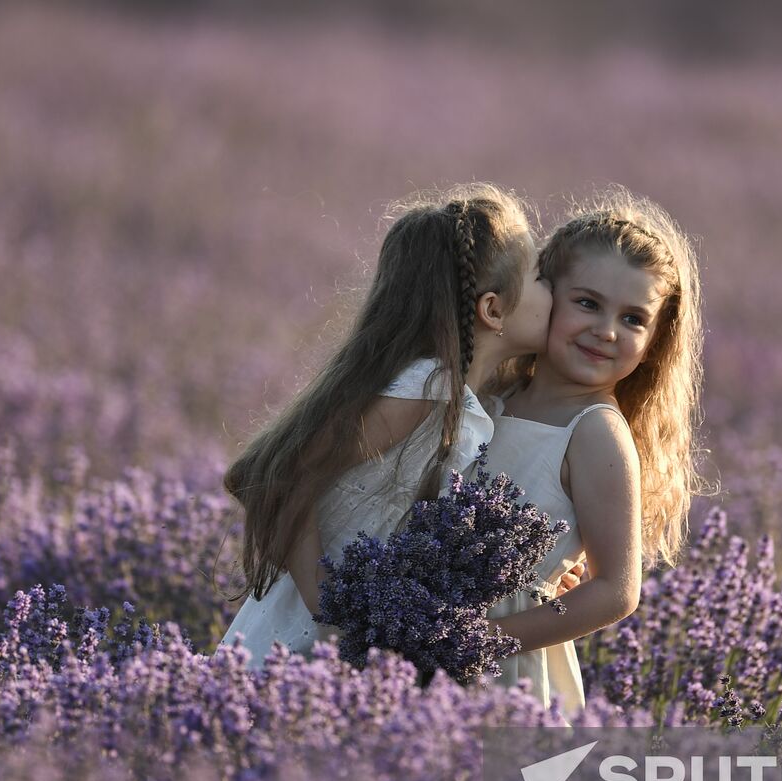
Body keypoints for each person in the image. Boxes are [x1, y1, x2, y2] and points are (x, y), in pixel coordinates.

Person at [218, 183, 554, 670]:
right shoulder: (427, 388)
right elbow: (278, 471)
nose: (555, 291)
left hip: (369, 648)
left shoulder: (473, 403)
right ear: (493, 310)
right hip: (301, 646)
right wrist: (325, 601)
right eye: (541, 277)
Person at [480, 187, 707, 724]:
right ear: (542, 296)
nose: (606, 331)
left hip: (508, 668)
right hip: (430, 635)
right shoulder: (493, 398)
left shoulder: (596, 433)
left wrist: (488, 639)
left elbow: (614, 591)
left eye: (633, 319)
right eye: (587, 303)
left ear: (656, 340)